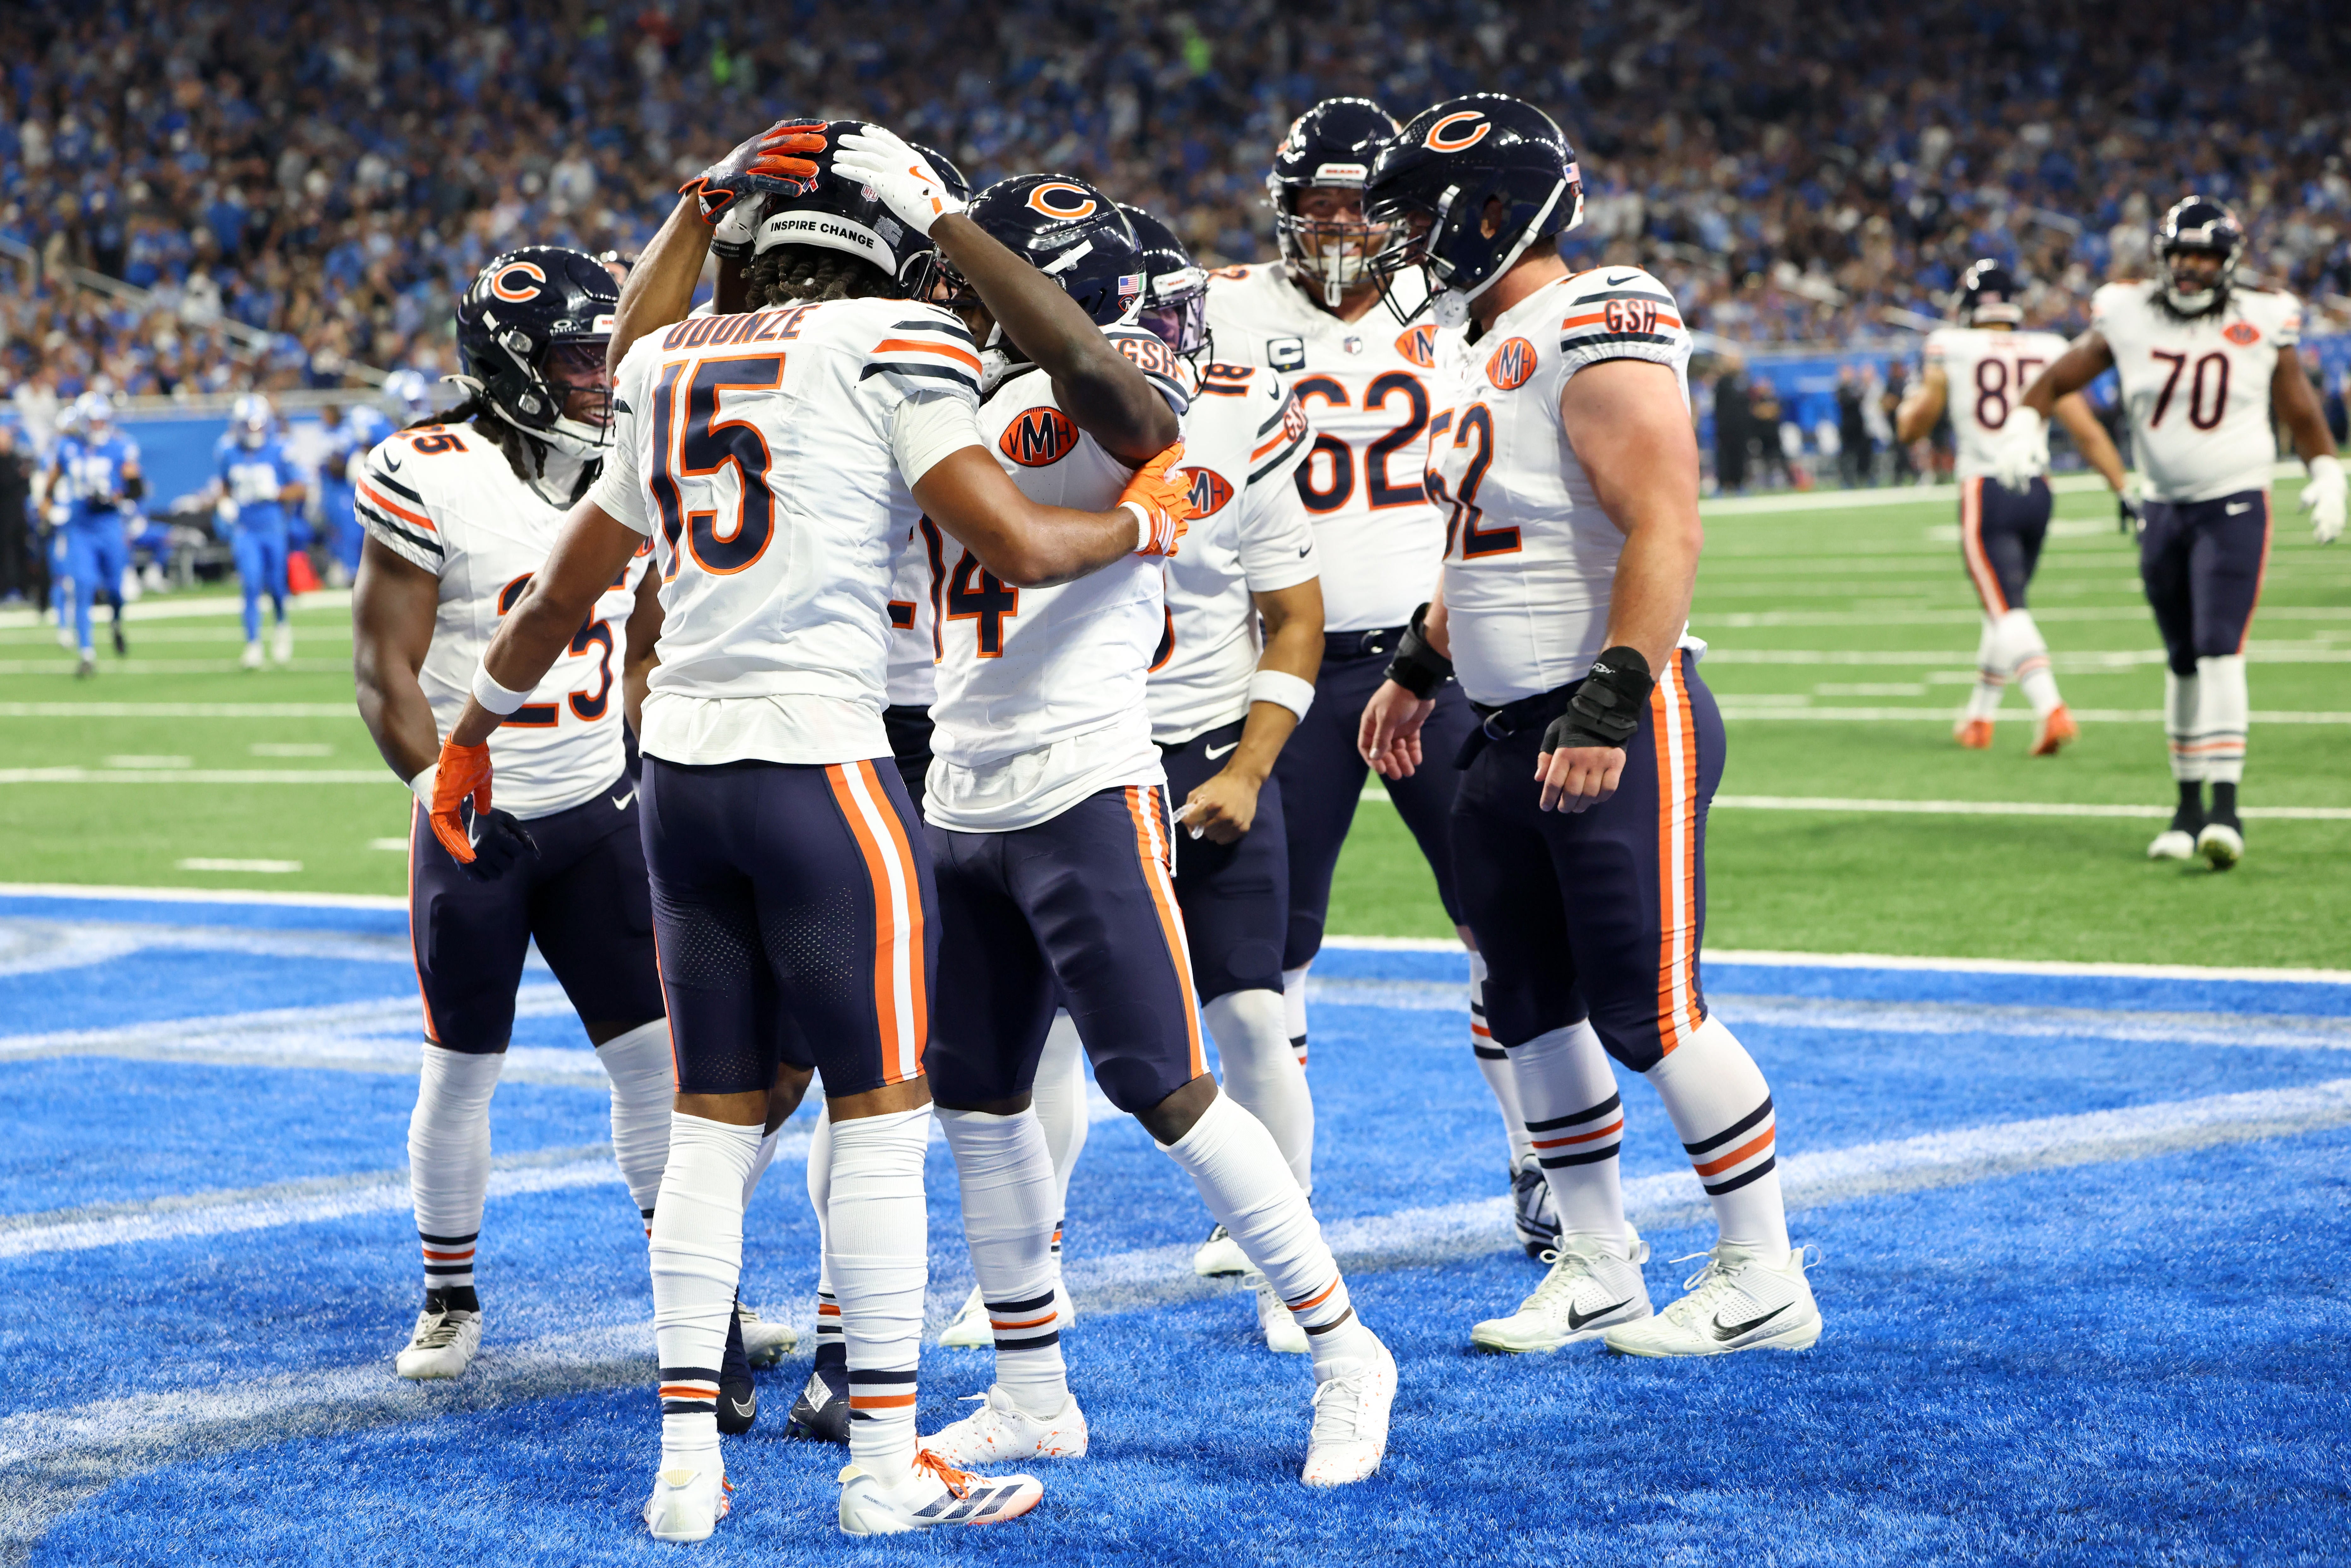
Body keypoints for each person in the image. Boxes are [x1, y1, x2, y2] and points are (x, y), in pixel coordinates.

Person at [431, 119, 1194, 1538]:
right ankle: (884, 1463)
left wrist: (472, 733)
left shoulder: (656, 362)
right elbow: (1024, 542)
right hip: (826, 765)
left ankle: (681, 1473)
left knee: (713, 1125)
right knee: (885, 1118)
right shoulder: (896, 340)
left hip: (678, 780)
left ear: (744, 249)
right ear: (883, 259)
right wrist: (1144, 528)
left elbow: (552, 598)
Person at [831, 140, 1394, 1488]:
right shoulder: (946, 399)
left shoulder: (1108, 403)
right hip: (961, 782)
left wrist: (950, 228)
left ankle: (1342, 1347)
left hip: (1084, 781)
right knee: (979, 1099)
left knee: (1162, 1079)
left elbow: (1118, 404)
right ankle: (1032, 1390)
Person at [1360, 93, 1821, 1358]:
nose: (1400, 244)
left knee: (1650, 1007)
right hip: (1505, 729)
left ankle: (1764, 1273)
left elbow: (1667, 520)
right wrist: (1416, 663)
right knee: (1529, 1007)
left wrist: (1613, 699)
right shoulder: (1479, 346)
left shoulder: (1595, 312)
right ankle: (1601, 1264)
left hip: (1612, 716)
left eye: (1417, 217)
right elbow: (1490, 546)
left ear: (1490, 210)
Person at [1203, 96, 1558, 1261]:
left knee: (1495, 921)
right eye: (1322, 204)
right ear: (1285, 209)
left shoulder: (1457, 307)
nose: (1345, 225)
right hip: (1286, 667)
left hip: (1434, 664)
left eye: (1366, 202)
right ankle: (1272, 1201)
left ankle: (1540, 1163)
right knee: (1267, 950)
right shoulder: (1222, 308)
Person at [349, 247, 684, 1412]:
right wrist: (435, 786)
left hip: (598, 807)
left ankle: (692, 1297)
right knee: (461, 1068)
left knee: (654, 1064)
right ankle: (450, 1290)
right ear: (512, 364)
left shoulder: (632, 453)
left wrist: (647, 756)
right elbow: (383, 668)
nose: (602, 375)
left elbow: (642, 639)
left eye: (608, 353)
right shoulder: (426, 468)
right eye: (580, 355)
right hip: (473, 816)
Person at [998, 202, 1327, 1354]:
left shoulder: (1239, 410)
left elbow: (1294, 616)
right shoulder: (997, 406)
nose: (1179, 330)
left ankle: (1293, 1280)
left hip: (1192, 753)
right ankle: (1035, 1269)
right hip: (1075, 756)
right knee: (1035, 1040)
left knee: (1251, 1015)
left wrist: (1246, 766)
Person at [2022, 196, 2344, 869]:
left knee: (2220, 646)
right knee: (2181, 659)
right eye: (2181, 255)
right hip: (2163, 507)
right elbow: (2057, 380)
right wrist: (2027, 429)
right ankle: (2186, 807)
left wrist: (2327, 472)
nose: (2192, 268)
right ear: (2164, 259)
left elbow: (2299, 405)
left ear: (2228, 262)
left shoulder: (2262, 316)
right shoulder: (2127, 312)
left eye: (2204, 256)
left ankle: (2227, 810)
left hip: (2233, 502)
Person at [1897, 259, 2129, 755]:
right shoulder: (2046, 348)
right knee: (2002, 606)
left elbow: (1915, 426)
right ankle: (1980, 717)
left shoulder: (1952, 346)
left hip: (1987, 488)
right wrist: (2123, 488)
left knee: (2007, 609)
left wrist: (1906, 406)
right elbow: (2085, 430)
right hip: (2038, 491)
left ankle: (2051, 708)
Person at [47, 391, 142, 677]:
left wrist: (115, 496)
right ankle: (87, 653)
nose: (99, 426)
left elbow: (136, 488)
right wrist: (47, 505)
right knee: (83, 585)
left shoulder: (120, 446)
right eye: (94, 421)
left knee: (115, 589)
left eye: (103, 421)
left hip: (110, 527)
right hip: (81, 528)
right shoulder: (68, 447)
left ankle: (116, 621)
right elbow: (52, 482)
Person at [210, 394, 304, 669]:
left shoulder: (279, 449)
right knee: (250, 582)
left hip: (273, 526)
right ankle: (253, 644)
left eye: (257, 426)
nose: (253, 432)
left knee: (275, 584)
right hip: (245, 527)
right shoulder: (228, 451)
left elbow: (301, 488)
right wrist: (224, 502)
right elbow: (224, 485)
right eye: (248, 426)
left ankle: (282, 625)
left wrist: (277, 493)